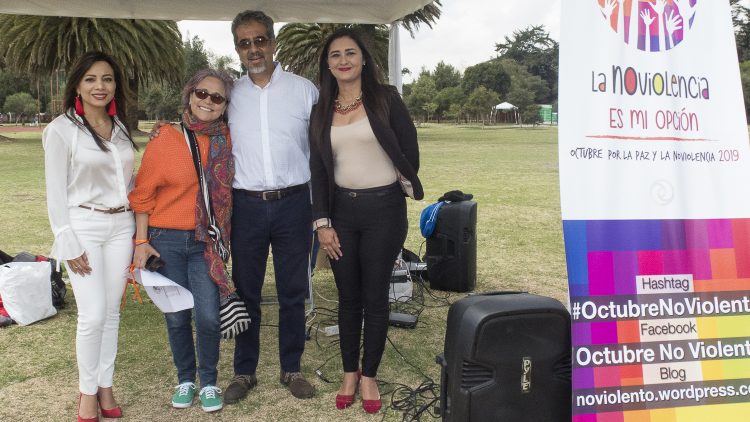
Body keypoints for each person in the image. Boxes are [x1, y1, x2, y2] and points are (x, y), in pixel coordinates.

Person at [309, 28, 424, 414]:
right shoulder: (323, 107)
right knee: (347, 297)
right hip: (341, 212)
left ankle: (370, 374)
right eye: (336, 55)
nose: (343, 60)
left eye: (351, 53)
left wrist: (401, 184)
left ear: (363, 58)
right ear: (327, 64)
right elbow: (319, 168)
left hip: (384, 211)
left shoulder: (386, 98)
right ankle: (348, 372)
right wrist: (322, 223)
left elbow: (409, 152)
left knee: (374, 296)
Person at [223, 10, 319, 403]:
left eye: (259, 40)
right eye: (245, 43)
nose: (253, 49)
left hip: (294, 203)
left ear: (273, 42)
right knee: (245, 291)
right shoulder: (230, 94)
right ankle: (244, 372)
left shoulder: (304, 90)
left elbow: (322, 151)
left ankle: (291, 368)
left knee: (292, 290)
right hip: (245, 207)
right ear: (237, 49)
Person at [128, 69, 235, 413]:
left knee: (207, 317)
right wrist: (141, 242)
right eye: (202, 93)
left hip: (205, 242)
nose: (208, 101)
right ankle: (185, 378)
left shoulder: (226, 140)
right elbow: (142, 195)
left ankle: (209, 382)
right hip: (166, 239)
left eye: (217, 97)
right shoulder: (166, 138)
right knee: (176, 315)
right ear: (189, 95)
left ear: (224, 106)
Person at [43, 51, 136, 422]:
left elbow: (128, 183)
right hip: (84, 227)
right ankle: (86, 393)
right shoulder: (61, 130)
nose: (101, 86)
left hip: (122, 227)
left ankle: (106, 387)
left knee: (111, 313)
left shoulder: (122, 128)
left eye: (108, 79)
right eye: (92, 79)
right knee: (93, 314)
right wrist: (67, 240)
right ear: (77, 86)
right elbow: (54, 192)